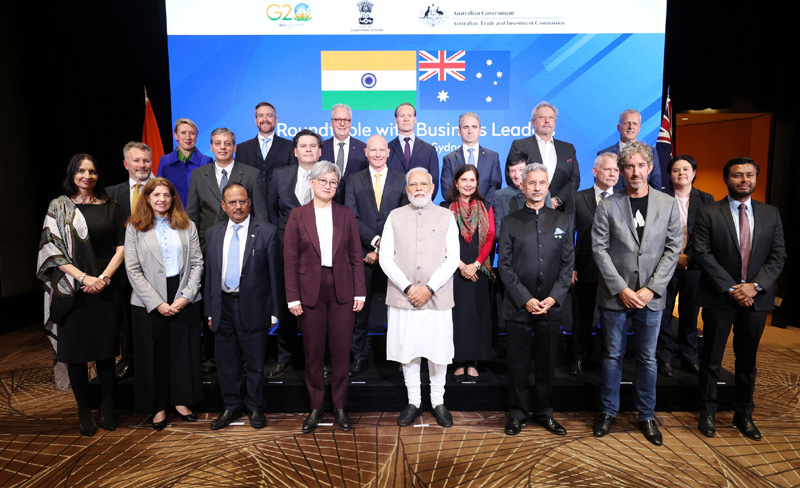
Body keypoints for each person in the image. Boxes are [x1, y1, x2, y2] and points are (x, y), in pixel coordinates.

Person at [591, 142, 681, 446]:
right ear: (621, 171)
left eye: (641, 165)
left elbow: (673, 249)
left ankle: (646, 414)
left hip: (651, 298)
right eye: (629, 166)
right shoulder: (607, 205)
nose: (635, 172)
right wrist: (623, 289)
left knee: (647, 359)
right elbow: (599, 249)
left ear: (650, 167)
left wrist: (650, 289)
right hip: (616, 296)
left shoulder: (667, 204)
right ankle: (608, 411)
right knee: (612, 356)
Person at [693, 157, 786, 440]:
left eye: (749, 175)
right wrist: (733, 288)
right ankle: (707, 412)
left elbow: (778, 255)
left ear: (756, 178)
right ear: (727, 179)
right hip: (719, 298)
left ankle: (743, 414)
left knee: (748, 362)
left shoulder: (771, 213)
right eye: (737, 175)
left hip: (756, 300)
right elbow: (702, 253)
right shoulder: (708, 212)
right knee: (711, 359)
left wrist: (754, 286)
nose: (744, 180)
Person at [36, 153, 125, 436]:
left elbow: (122, 247)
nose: (87, 176)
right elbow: (52, 251)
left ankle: (108, 408)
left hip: (105, 290)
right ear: (72, 174)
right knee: (75, 355)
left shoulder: (112, 206)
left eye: (93, 171)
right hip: (71, 292)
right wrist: (84, 278)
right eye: (81, 171)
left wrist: (104, 278)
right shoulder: (59, 207)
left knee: (105, 354)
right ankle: (84, 409)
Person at [284, 161, 366, 433]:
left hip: (342, 289)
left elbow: (356, 255)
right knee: (313, 354)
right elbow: (291, 260)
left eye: (333, 182)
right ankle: (316, 406)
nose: (328, 186)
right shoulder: (298, 215)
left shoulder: (345, 214)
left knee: (342, 353)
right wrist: (292, 297)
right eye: (323, 181)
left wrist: (360, 291)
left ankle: (340, 406)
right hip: (309, 292)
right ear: (311, 183)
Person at [379, 167, 460, 428]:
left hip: (437, 297)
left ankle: (438, 401)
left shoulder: (447, 216)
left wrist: (429, 288)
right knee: (408, 351)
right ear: (406, 189)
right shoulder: (394, 216)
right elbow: (385, 258)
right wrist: (407, 288)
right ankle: (414, 401)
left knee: (438, 352)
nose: (418, 189)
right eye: (413, 185)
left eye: (423, 184)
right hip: (404, 298)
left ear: (432, 187)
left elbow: (453, 259)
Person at [498, 163, 574, 436]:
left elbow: (568, 265)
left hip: (550, 307)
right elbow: (504, 266)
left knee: (546, 364)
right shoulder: (510, 221)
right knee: (517, 365)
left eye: (542, 182)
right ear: (522, 185)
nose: (537, 187)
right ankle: (517, 414)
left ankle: (544, 412)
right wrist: (525, 298)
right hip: (519, 307)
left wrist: (554, 298)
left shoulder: (561, 220)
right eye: (532, 183)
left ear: (547, 185)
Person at [125, 178, 204, 430]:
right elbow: (133, 269)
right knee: (153, 355)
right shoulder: (134, 227)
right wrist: (158, 303)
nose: (161, 199)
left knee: (183, 352)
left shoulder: (187, 224)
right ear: (147, 198)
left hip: (183, 295)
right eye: (156, 194)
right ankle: (158, 406)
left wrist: (186, 297)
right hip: (148, 300)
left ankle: (181, 401)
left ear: (173, 198)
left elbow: (197, 264)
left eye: (166, 195)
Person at [204, 183, 282, 430]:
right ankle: (230, 407)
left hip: (254, 307)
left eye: (242, 201)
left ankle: (256, 407)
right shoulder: (213, 233)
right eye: (232, 202)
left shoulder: (267, 231)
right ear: (223, 206)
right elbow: (210, 277)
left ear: (250, 202)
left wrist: (274, 311)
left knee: (255, 362)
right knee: (226, 362)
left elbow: (274, 276)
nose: (238, 207)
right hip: (222, 307)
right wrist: (209, 310)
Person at [344, 135, 408, 377]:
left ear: (389, 153)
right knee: (360, 312)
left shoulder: (402, 180)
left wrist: (382, 251)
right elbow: (352, 217)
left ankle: (400, 358)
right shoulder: (353, 180)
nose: (378, 154)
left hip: (395, 257)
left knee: (399, 310)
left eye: (382, 150)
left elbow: (404, 218)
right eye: (374, 150)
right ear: (366, 153)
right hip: (362, 256)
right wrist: (374, 244)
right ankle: (359, 356)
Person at [266, 129, 324, 378]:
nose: (308, 150)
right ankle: (285, 357)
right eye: (304, 146)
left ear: (320, 151)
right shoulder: (280, 176)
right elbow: (270, 212)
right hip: (285, 253)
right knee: (287, 305)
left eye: (313, 146)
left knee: (320, 309)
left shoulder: (328, 176)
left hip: (320, 254)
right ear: (295, 151)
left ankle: (321, 360)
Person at [655, 155, 714, 377]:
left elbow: (707, 233)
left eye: (686, 169)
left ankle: (689, 357)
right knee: (664, 313)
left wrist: (688, 257)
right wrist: (673, 257)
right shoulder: (660, 197)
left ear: (694, 172)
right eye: (676, 170)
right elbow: (655, 233)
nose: (681, 173)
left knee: (690, 314)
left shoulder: (706, 199)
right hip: (665, 265)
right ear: (670, 174)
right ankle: (664, 358)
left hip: (695, 265)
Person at [107, 141, 154, 380]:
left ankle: (155, 359)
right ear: (126, 164)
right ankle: (128, 359)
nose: (142, 165)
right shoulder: (111, 194)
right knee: (126, 317)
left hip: (156, 266)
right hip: (123, 268)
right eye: (136, 160)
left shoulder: (161, 190)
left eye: (146, 160)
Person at [442, 164, 495, 381]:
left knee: (477, 317)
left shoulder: (486, 206)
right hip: (454, 271)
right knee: (458, 318)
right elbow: (442, 241)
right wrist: (461, 266)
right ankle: (458, 361)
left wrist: (475, 264)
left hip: (479, 271)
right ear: (456, 182)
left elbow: (490, 237)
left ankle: (473, 362)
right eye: (463, 180)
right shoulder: (445, 207)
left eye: (472, 180)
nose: (468, 184)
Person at [569, 152, 620, 375]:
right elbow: (568, 234)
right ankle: (579, 357)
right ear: (595, 171)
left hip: (618, 272)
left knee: (612, 320)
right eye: (608, 169)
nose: (612, 174)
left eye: (616, 170)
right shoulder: (577, 198)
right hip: (585, 269)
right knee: (583, 317)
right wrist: (570, 266)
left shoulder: (623, 198)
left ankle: (608, 361)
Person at [186, 127, 268, 248]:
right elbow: (192, 214)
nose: (222, 147)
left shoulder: (252, 174)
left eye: (227, 143)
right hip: (207, 243)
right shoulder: (198, 175)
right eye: (218, 143)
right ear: (211, 147)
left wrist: (260, 244)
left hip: (244, 242)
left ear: (234, 148)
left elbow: (261, 215)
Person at [507, 101, 579, 212]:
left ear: (555, 122)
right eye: (542, 117)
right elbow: (511, 177)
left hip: (561, 211)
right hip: (527, 209)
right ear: (533, 122)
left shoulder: (568, 148)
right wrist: (536, 199)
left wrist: (556, 201)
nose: (547, 121)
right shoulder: (520, 145)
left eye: (551, 117)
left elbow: (574, 180)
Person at [441, 112, 502, 205]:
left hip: (485, 210)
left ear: (480, 130)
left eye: (474, 127)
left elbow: (495, 186)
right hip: (457, 212)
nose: (470, 131)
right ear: (459, 131)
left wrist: (482, 207)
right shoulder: (449, 158)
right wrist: (463, 207)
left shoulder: (492, 157)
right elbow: (446, 189)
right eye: (466, 127)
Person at [236, 102, 296, 195]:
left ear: (276, 120)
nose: (265, 119)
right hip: (251, 205)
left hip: (280, 205)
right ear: (255, 120)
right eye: (260, 116)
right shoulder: (242, 148)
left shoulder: (290, 146)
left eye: (269, 116)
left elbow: (293, 179)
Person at [596, 109, 661, 190]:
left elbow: (656, 186)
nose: (631, 127)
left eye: (635, 124)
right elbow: (600, 187)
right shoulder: (604, 154)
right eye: (627, 123)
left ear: (639, 128)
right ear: (618, 127)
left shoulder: (651, 152)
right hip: (612, 201)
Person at [157, 118, 213, 206]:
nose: (188, 137)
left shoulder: (206, 161)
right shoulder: (165, 160)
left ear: (196, 137)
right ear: (175, 135)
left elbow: (208, 194)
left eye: (192, 133)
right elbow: (159, 191)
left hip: (198, 215)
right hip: (172, 214)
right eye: (183, 133)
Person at [387, 103, 440, 194]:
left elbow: (433, 180)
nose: (406, 119)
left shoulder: (429, 150)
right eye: (402, 116)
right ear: (396, 120)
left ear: (415, 119)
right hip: (393, 204)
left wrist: (424, 202)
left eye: (410, 116)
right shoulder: (387, 149)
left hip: (421, 203)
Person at [321, 103, 368, 201]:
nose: (342, 123)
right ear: (331, 123)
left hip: (354, 205)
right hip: (326, 203)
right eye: (338, 120)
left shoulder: (363, 149)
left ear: (351, 123)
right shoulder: (321, 148)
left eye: (346, 120)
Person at [492, 152, 528, 234]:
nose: (517, 175)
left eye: (521, 170)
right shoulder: (500, 195)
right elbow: (499, 231)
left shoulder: (541, 193)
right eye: (512, 171)